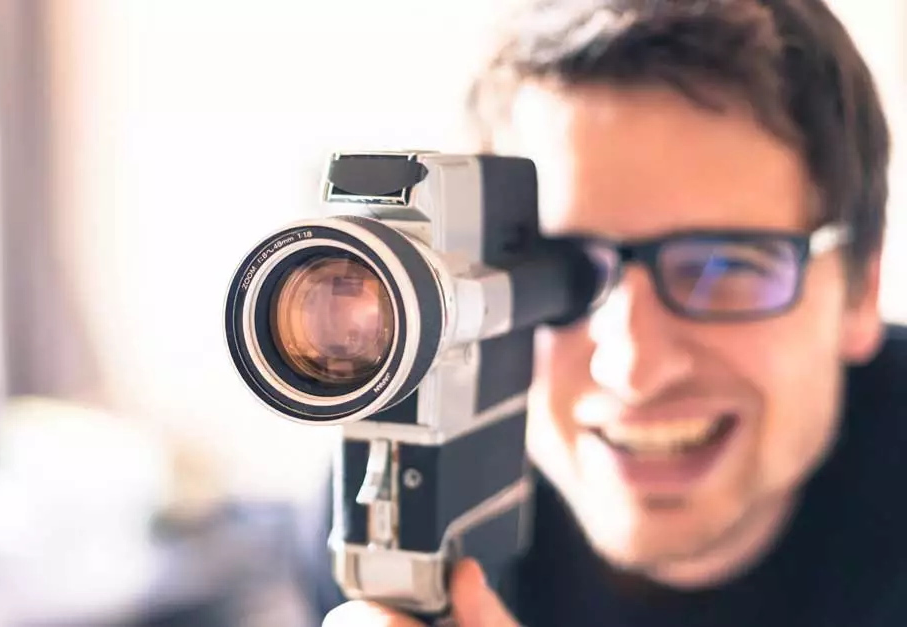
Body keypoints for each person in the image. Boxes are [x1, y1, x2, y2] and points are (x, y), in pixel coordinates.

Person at [314, 0, 907, 625]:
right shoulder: (393, 517)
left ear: (860, 291)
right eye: (563, 276)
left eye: (726, 268)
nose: (634, 367)